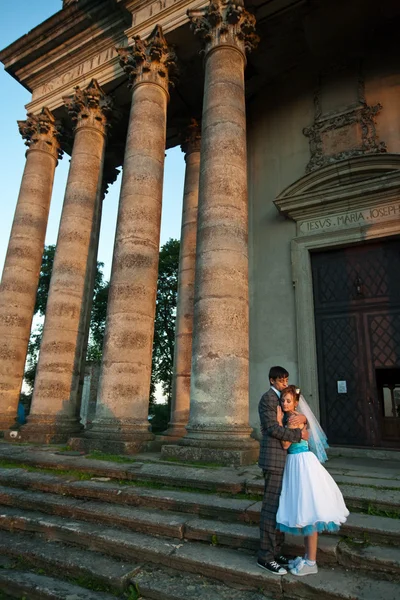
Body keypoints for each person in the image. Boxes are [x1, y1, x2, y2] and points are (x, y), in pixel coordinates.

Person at [276, 385, 349, 576]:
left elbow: (285, 444)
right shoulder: (297, 416)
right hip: (298, 462)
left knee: (308, 511)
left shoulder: (293, 419)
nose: (284, 403)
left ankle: (311, 561)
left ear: (296, 403)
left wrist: (278, 421)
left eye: (288, 401)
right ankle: (308, 557)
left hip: (301, 463)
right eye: (283, 400)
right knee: (305, 511)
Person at [257, 367, 309, 575]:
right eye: (280, 380)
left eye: (286, 380)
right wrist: (299, 436)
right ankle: (265, 556)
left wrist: (303, 420)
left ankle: (276, 550)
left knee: (279, 507)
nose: (284, 383)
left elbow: (294, 417)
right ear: (271, 380)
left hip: (286, 459)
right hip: (273, 459)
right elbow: (272, 429)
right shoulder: (268, 399)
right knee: (270, 508)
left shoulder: (283, 399)